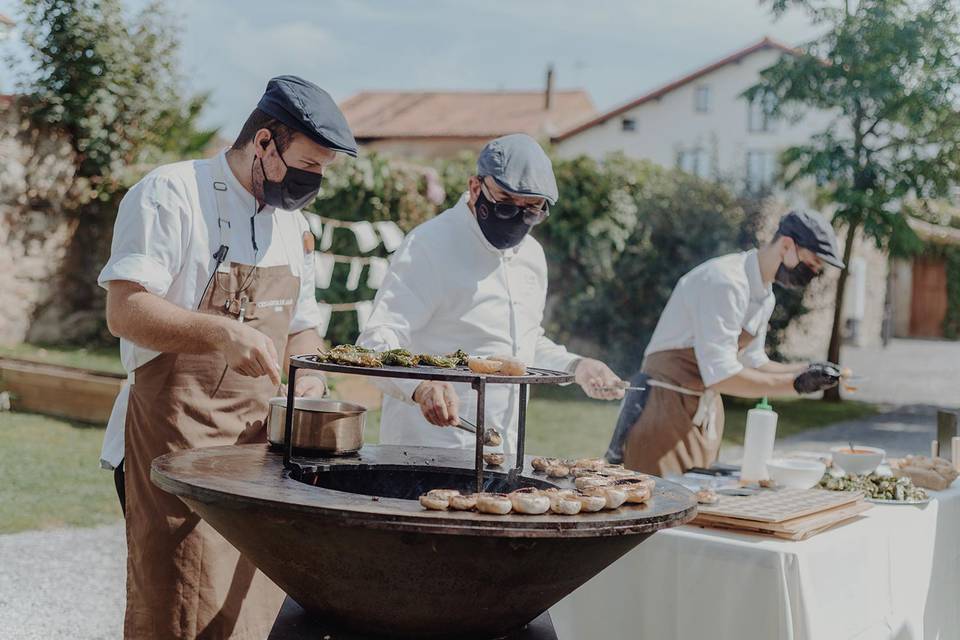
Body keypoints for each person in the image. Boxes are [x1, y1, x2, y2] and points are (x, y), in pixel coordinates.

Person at [98, 75, 357, 639]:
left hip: (258, 457)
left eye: (322, 171)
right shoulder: (170, 193)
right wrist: (219, 333)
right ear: (264, 142)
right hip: (174, 449)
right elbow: (126, 309)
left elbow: (304, 330)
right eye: (307, 164)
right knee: (180, 610)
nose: (313, 181)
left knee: (252, 612)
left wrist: (307, 377)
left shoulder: (294, 225)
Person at [357, 134, 623, 454]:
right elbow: (376, 339)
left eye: (532, 210)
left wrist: (577, 365)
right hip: (427, 449)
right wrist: (419, 386)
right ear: (475, 188)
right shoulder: (429, 246)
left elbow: (522, 346)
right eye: (507, 204)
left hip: (504, 450)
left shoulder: (532, 257)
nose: (518, 218)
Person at [605, 210, 846, 476]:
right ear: (787, 245)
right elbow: (720, 375)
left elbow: (753, 362)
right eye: (811, 264)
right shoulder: (725, 282)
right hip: (663, 409)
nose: (812, 274)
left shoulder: (765, 296)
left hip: (702, 414)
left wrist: (807, 370)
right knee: (659, 507)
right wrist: (794, 385)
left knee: (702, 504)